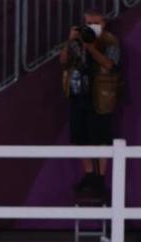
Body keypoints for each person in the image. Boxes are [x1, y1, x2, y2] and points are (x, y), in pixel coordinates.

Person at [60, 7, 121, 195]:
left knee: (101, 137)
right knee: (79, 136)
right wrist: (71, 41)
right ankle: (88, 175)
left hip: (101, 94)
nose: (92, 27)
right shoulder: (77, 39)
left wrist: (91, 47)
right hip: (79, 92)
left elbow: (109, 64)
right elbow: (63, 61)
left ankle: (100, 179)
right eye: (88, 23)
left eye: (96, 23)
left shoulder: (110, 40)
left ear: (104, 24)